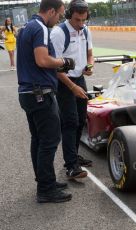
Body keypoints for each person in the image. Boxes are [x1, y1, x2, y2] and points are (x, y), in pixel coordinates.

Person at [17, 0, 76, 203]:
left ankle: (45, 180)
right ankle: (46, 189)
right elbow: (42, 60)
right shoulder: (40, 27)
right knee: (49, 141)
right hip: (39, 93)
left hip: (28, 93)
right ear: (50, 11)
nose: (59, 18)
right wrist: (64, 62)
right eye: (59, 14)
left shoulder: (26, 27)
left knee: (39, 140)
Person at [50, 0, 94, 179]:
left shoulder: (85, 30)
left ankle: (74, 156)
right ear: (69, 15)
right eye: (77, 20)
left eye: (84, 20)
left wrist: (89, 65)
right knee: (70, 122)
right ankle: (70, 166)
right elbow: (54, 66)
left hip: (79, 79)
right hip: (64, 81)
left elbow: (90, 53)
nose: (81, 24)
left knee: (81, 120)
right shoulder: (59, 33)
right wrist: (72, 86)